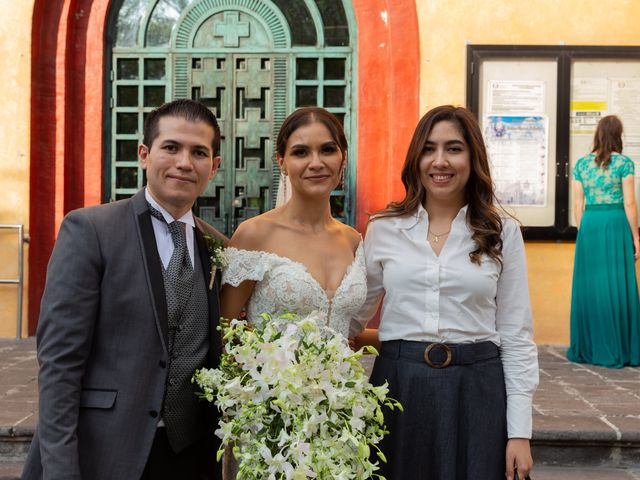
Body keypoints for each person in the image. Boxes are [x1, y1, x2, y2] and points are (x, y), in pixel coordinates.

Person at [22, 99, 227, 480]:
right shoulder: (91, 230)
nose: (184, 162)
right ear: (144, 155)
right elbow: (59, 365)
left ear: (213, 167)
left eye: (199, 152)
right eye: (171, 147)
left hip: (190, 457)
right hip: (104, 453)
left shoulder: (218, 248)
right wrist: (61, 469)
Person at [351, 105, 539, 480]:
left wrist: (519, 432)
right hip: (398, 388)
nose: (440, 161)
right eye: (429, 149)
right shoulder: (384, 229)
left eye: (454, 148)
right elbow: (351, 316)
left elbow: (517, 337)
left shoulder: (503, 232)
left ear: (473, 157)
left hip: (478, 391)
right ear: (416, 158)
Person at [219, 107, 366, 478]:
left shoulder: (353, 240)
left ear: (342, 158)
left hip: (341, 414)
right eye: (301, 152)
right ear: (282, 162)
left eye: (327, 150)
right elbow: (224, 333)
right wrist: (268, 394)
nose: (316, 162)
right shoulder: (255, 235)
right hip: (271, 424)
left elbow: (344, 327)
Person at [567, 115, 640, 368]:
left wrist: (583, 230)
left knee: (591, 286)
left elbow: (578, 204)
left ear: (598, 134)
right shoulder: (624, 163)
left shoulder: (581, 165)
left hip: (590, 224)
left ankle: (590, 346)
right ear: (618, 135)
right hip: (616, 221)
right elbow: (630, 202)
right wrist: (636, 237)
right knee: (618, 283)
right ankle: (621, 347)